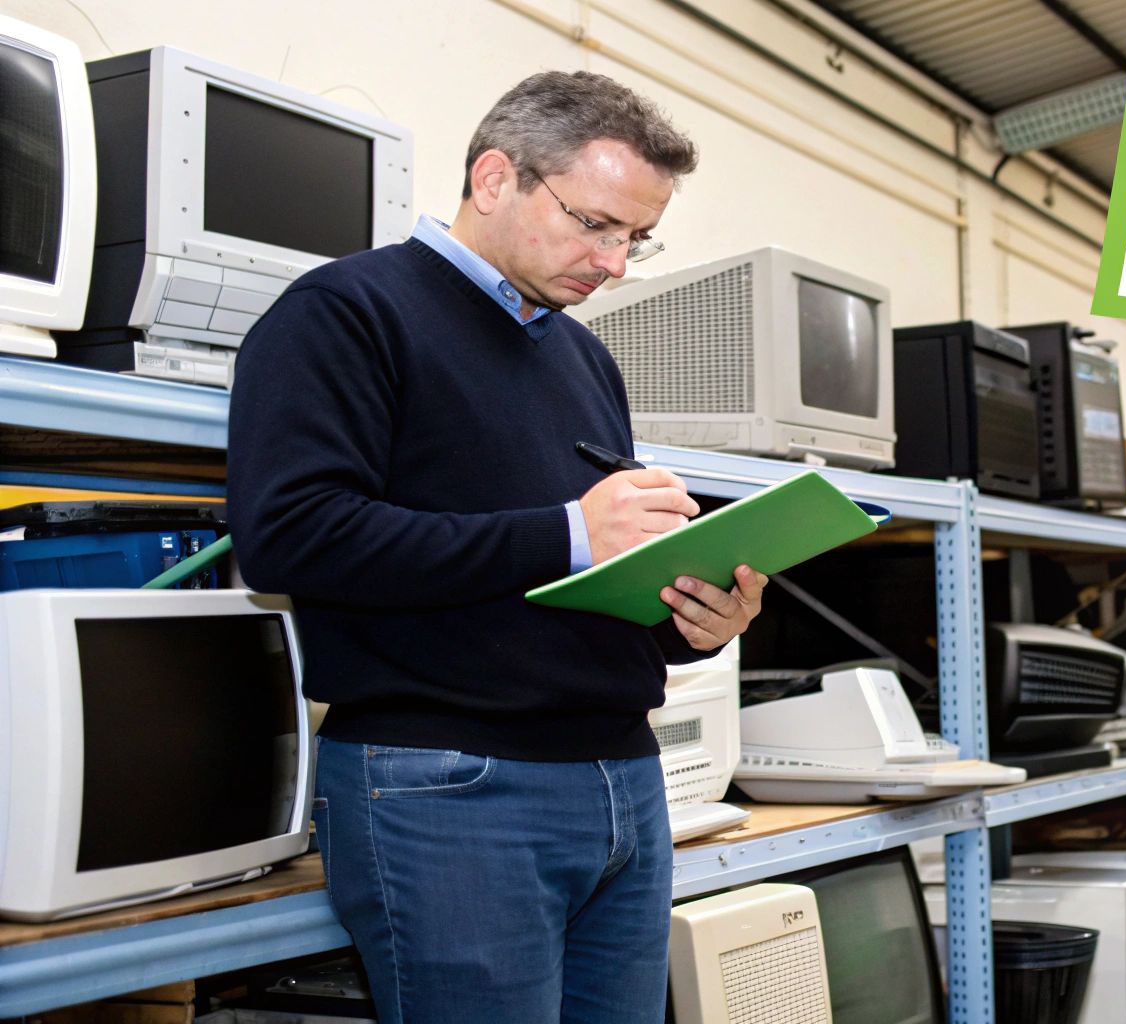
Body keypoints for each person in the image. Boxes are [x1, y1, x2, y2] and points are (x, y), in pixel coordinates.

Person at [227, 71, 766, 1024]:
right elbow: (291, 536)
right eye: (594, 224)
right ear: (493, 177)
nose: (615, 264)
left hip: (624, 784)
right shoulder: (347, 312)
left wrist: (691, 622)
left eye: (636, 238)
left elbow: (580, 584)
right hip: (453, 790)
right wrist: (568, 531)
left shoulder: (581, 353)